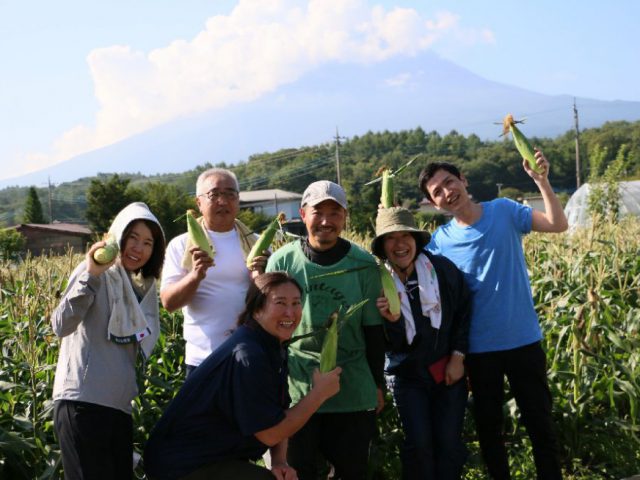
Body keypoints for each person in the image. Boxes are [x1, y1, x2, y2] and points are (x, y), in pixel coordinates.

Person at [419, 150, 568, 480]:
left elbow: (558, 224)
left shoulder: (503, 211)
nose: (447, 192)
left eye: (449, 182)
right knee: (490, 431)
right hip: (478, 350)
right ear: (433, 203)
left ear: (464, 180)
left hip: (524, 341)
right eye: (437, 192)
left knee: (540, 423)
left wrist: (541, 181)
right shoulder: (439, 243)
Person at [143, 272, 342, 480]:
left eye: (296, 303)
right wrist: (318, 394)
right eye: (280, 303)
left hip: (210, 459)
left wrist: (280, 461)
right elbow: (270, 432)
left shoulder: (272, 345)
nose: (290, 313)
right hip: (181, 466)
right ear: (257, 310)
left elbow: (278, 410)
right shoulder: (249, 355)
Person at [266, 180, 385, 480]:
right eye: (319, 212)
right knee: (297, 471)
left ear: (345, 217)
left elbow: (373, 330)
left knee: (351, 472)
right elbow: (268, 330)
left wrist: (378, 385)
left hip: (352, 388)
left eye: (335, 213)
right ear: (303, 214)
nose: (326, 221)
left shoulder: (363, 264)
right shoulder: (283, 261)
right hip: (298, 388)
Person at [51, 202, 166, 480]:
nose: (139, 248)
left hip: (118, 410)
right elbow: (60, 324)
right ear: (118, 237)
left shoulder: (136, 289)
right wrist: (91, 274)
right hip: (83, 404)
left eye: (148, 243)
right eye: (133, 238)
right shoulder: (95, 272)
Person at [372, 206, 471, 479]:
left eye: (406, 236)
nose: (399, 244)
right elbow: (391, 346)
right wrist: (391, 320)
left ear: (416, 240)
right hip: (407, 377)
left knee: (449, 444)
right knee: (419, 446)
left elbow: (463, 313)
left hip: (447, 372)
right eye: (391, 238)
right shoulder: (377, 283)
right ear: (382, 246)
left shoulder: (442, 270)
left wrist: (458, 357)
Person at [160, 167, 266, 376]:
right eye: (214, 194)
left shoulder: (259, 246)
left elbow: (271, 302)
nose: (223, 201)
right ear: (198, 203)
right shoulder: (181, 246)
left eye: (230, 194)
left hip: (249, 355)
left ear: (238, 200)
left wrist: (259, 278)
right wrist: (196, 275)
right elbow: (169, 303)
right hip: (202, 359)